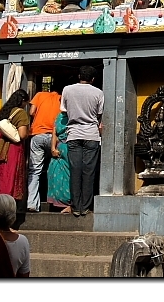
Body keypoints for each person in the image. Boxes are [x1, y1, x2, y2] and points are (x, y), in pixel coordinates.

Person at [62, 65, 104, 217]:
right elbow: (99, 114)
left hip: (73, 134)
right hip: (91, 135)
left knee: (75, 171)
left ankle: (75, 206)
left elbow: (64, 110)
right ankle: (85, 207)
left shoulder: (67, 89)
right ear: (93, 79)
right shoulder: (98, 92)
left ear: (79, 76)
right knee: (89, 172)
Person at [0, 90, 31, 200]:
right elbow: (22, 135)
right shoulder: (20, 113)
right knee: (9, 177)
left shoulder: (1, 113)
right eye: (26, 103)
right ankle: (7, 204)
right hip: (11, 149)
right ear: (22, 101)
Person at [26, 81, 64, 212]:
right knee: (56, 169)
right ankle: (57, 202)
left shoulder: (40, 95)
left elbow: (31, 112)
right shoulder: (61, 99)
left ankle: (32, 203)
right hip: (55, 137)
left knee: (35, 170)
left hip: (38, 135)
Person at [47, 111, 71, 213]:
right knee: (54, 172)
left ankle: (69, 203)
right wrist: (53, 148)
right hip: (60, 147)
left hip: (71, 148)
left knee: (68, 175)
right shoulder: (59, 116)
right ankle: (59, 201)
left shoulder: (75, 115)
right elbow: (54, 133)